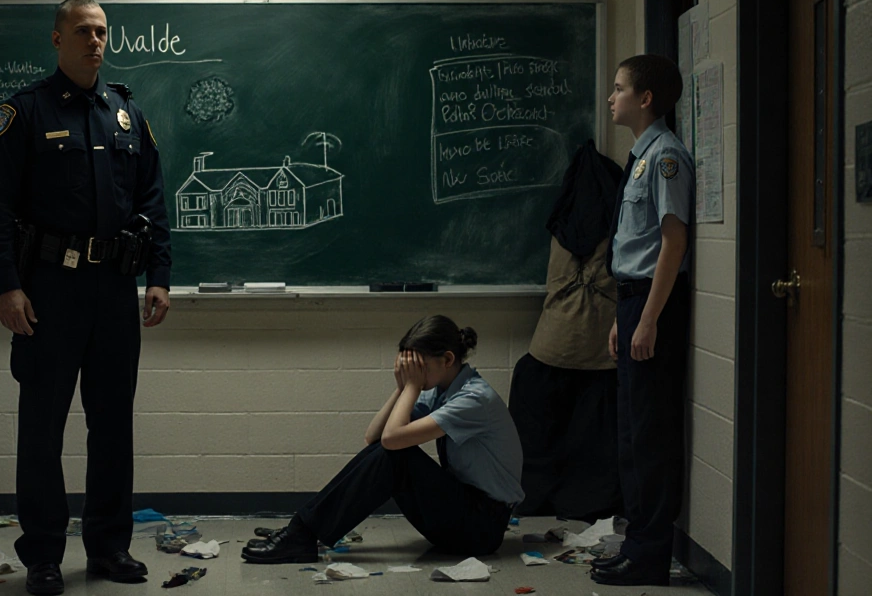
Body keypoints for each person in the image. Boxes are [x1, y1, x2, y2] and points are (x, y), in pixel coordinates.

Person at [0, 0, 172, 596]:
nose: (95, 41)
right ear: (57, 39)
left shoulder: (126, 115)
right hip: (48, 291)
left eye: (102, 31)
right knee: (42, 427)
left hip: (114, 289)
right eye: (83, 31)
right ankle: (42, 555)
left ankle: (110, 547)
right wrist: (8, 286)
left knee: (113, 425)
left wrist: (159, 276)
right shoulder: (25, 112)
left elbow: (153, 202)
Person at [240, 316, 524, 564]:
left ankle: (302, 532)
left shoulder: (474, 399)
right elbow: (374, 436)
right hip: (463, 512)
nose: (413, 374)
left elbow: (391, 441)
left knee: (399, 455)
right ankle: (302, 530)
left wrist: (411, 386)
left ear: (448, 359)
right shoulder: (441, 388)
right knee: (393, 451)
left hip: (482, 527)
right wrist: (402, 388)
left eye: (418, 366)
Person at [592, 54, 692, 587]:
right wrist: (622, 317)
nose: (611, 97)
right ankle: (636, 543)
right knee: (631, 434)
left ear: (645, 98)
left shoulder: (666, 158)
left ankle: (651, 554)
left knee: (650, 435)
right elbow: (636, 250)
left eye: (619, 88)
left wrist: (649, 319)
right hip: (633, 301)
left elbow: (673, 243)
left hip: (654, 305)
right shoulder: (639, 157)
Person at [508, 141, 624, 523]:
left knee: (539, 442)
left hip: (548, 351)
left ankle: (534, 498)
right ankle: (586, 503)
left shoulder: (560, 228)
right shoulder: (618, 232)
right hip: (599, 358)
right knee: (591, 447)